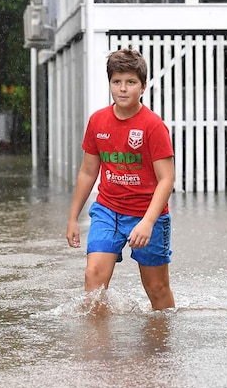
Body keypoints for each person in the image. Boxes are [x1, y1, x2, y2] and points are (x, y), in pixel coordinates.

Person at [66, 48, 176, 310]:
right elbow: (88, 172)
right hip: (108, 211)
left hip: (148, 215)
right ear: (110, 84)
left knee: (157, 290)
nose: (123, 89)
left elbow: (166, 179)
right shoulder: (98, 121)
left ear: (143, 87)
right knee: (93, 277)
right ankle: (100, 349)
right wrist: (72, 218)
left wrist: (148, 223)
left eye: (130, 82)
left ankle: (162, 346)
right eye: (117, 82)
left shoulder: (152, 126)